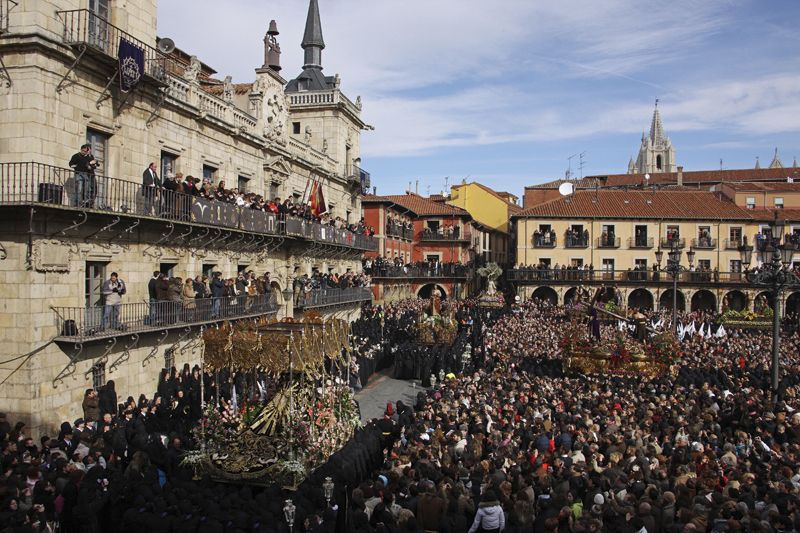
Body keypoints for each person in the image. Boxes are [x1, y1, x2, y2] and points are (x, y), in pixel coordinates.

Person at [69, 143, 97, 207]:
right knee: (78, 189)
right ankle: (77, 203)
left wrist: (90, 166)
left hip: (86, 174)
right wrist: (72, 166)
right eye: (82, 150)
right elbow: (71, 162)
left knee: (87, 189)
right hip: (78, 173)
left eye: (85, 151)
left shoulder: (88, 157)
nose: (83, 152)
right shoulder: (76, 156)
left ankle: (86, 203)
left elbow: (92, 165)